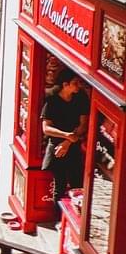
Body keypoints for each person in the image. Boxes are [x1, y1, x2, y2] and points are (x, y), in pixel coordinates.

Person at [41, 69, 89, 216]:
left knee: (77, 185)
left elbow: (83, 125)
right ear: (65, 84)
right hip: (57, 146)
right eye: (75, 83)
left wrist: (67, 141)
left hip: (72, 146)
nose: (78, 86)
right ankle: (58, 219)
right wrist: (66, 136)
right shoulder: (52, 101)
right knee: (59, 186)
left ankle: (73, 219)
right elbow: (46, 128)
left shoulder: (80, 99)